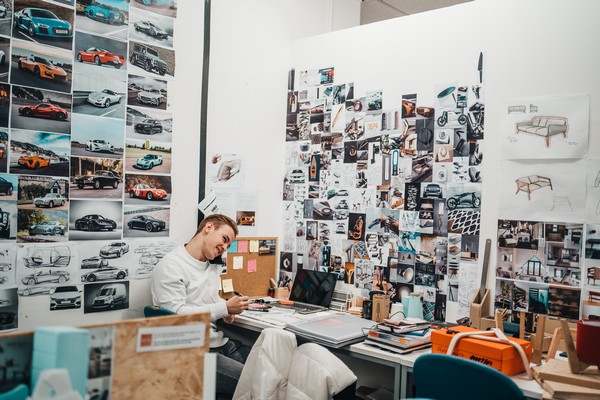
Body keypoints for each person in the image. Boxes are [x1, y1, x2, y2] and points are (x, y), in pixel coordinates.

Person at [151, 214, 251, 397]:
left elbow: (209, 299)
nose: (225, 247)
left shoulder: (212, 265)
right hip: (189, 351)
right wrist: (225, 308)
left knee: (267, 367)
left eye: (228, 245)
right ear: (208, 228)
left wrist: (226, 308)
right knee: (254, 383)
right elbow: (176, 315)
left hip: (216, 342)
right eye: (224, 239)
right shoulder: (171, 266)